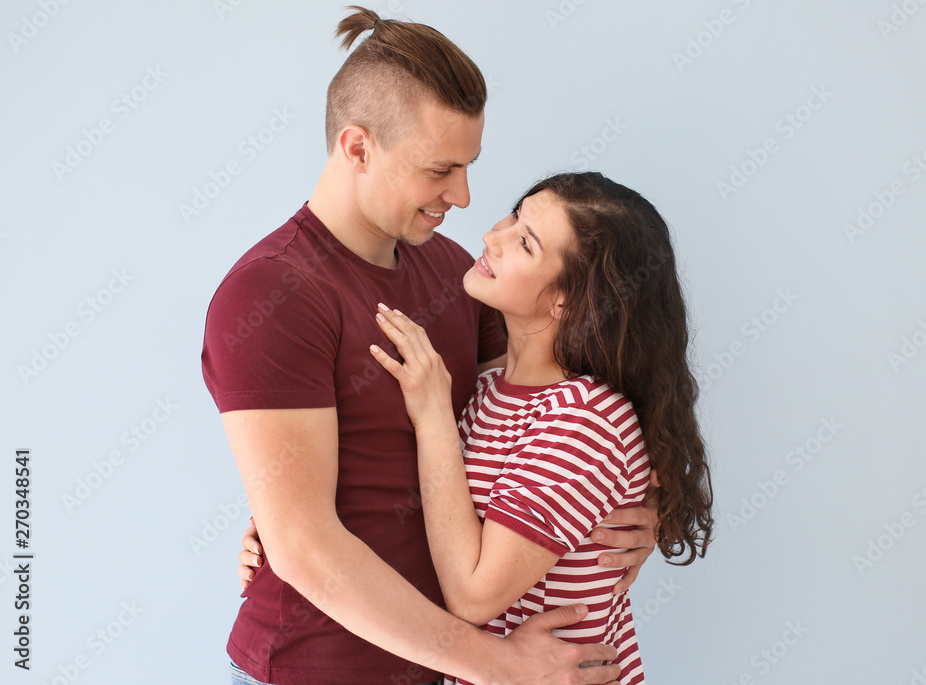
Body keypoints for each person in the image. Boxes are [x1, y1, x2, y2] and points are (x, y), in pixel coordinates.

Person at [201, 8, 659, 685]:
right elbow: (304, 548)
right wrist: (499, 665)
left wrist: (639, 505)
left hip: (442, 669)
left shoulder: (455, 273)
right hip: (316, 669)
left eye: (468, 166)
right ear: (357, 148)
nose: (464, 196)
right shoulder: (270, 293)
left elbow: (554, 413)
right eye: (440, 169)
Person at [242, 173, 715, 685]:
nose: (492, 235)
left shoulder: (585, 419)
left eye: (525, 242)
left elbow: (472, 595)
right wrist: (284, 512)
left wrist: (433, 418)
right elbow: (430, 498)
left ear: (567, 300)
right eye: (514, 216)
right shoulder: (490, 392)